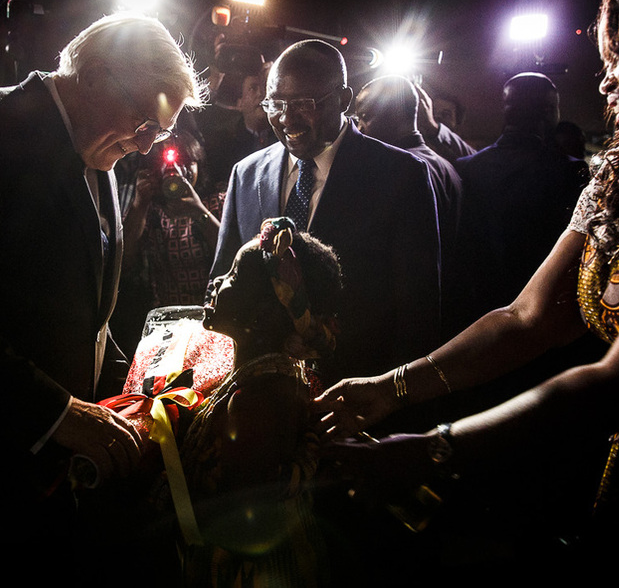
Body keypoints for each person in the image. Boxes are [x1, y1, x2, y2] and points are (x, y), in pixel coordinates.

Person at [315, 0, 619, 585]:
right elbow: (527, 318)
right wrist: (390, 389)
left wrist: (439, 450)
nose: (606, 82)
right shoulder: (615, 181)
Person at [0, 12, 205, 581]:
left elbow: (87, 315)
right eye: (145, 121)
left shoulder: (98, 155)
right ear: (95, 74)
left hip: (49, 484)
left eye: (160, 132)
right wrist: (58, 414)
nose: (146, 144)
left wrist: (142, 398)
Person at [211, 39, 442, 388]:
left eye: (304, 104)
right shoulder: (247, 174)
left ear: (344, 100)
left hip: (357, 393)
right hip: (257, 397)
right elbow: (221, 281)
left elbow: (418, 312)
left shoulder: (400, 175)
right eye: (275, 103)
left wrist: (393, 401)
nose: (286, 118)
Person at [180, 217, 342, 586]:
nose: (218, 282)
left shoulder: (256, 403)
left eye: (234, 277)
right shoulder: (269, 381)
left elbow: (240, 519)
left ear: (267, 314)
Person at [450, 71, 589, 331]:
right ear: (549, 110)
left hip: (476, 312)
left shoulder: (466, 168)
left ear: (507, 109)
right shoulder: (569, 172)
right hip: (545, 313)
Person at [353, 74, 463, 331]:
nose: (359, 127)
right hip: (448, 311)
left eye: (365, 116)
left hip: (407, 321)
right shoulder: (447, 167)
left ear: (395, 113)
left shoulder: (396, 172)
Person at [113, 130, 224, 357]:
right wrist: (139, 205)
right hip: (168, 324)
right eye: (168, 168)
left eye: (185, 165)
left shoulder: (218, 200)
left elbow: (231, 255)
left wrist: (199, 212)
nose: (177, 174)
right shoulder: (153, 211)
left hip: (215, 318)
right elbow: (122, 266)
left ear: (198, 164)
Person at [194, 44, 276, 191]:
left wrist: (276, 73)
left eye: (265, 88)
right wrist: (216, 75)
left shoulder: (284, 138)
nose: (260, 94)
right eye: (253, 88)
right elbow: (200, 118)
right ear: (239, 103)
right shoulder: (226, 146)